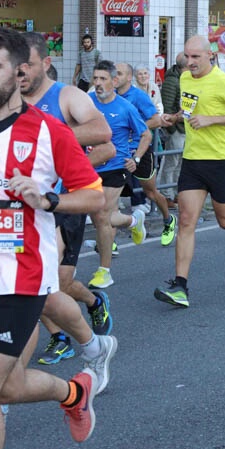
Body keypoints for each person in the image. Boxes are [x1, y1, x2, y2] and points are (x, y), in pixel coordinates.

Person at [0, 30, 107, 449]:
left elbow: (94, 196)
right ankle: (74, 393)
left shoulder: (49, 132)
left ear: (21, 72)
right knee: (6, 389)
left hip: (21, 278)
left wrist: (48, 199)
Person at [17, 33, 118, 379]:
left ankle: (88, 310)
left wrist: (44, 137)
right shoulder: (7, 99)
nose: (20, 73)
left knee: (49, 283)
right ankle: (71, 336)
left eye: (26, 65)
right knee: (38, 285)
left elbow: (102, 131)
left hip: (60, 202)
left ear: (45, 63)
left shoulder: (67, 96)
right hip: (17, 207)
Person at [153, 36, 225, 308]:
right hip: (193, 160)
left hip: (221, 160)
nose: (190, 62)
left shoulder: (223, 82)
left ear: (210, 56)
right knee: (185, 220)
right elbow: (190, 108)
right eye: (187, 56)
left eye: (196, 57)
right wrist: (177, 116)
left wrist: (212, 120)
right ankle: (180, 286)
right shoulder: (184, 79)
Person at [87, 61, 151, 290]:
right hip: (89, 166)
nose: (98, 83)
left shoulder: (126, 107)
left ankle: (104, 272)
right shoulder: (86, 103)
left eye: (103, 79)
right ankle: (134, 220)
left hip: (116, 166)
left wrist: (135, 159)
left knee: (102, 215)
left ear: (114, 81)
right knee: (99, 217)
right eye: (95, 78)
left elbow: (146, 135)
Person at [113, 63, 177, 247]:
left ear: (128, 77)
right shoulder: (111, 96)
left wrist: (136, 128)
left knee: (150, 191)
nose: (115, 77)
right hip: (118, 152)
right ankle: (110, 241)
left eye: (119, 74)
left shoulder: (138, 96)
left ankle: (168, 221)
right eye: (114, 73)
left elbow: (156, 120)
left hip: (140, 149)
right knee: (112, 195)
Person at [158, 52, 187, 202]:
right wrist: (172, 129)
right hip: (176, 129)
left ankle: (176, 192)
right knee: (171, 162)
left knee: (180, 163)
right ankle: (166, 194)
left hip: (184, 128)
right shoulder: (172, 81)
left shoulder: (185, 79)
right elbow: (167, 107)